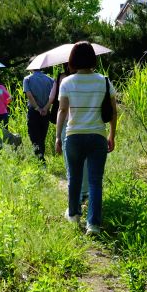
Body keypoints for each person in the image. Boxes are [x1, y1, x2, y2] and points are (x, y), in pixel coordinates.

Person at [55, 42, 117, 235]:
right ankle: (93, 225)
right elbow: (114, 112)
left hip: (74, 136)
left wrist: (58, 136)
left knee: (74, 178)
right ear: (93, 59)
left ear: (72, 60)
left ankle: (73, 215)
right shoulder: (104, 81)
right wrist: (112, 135)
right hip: (97, 135)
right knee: (95, 182)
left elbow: (62, 110)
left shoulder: (67, 82)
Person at [48, 64, 89, 206]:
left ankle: (74, 198)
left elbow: (54, 99)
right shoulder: (87, 78)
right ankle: (84, 192)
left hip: (67, 123)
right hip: (84, 121)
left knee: (69, 159)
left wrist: (57, 135)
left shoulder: (60, 78)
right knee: (84, 159)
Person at [23, 66, 54, 161]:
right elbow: (52, 97)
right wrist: (45, 108)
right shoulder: (50, 80)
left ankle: (39, 159)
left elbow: (29, 95)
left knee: (33, 135)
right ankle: (41, 157)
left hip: (33, 111)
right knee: (42, 135)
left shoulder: (27, 79)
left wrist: (37, 108)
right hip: (46, 111)